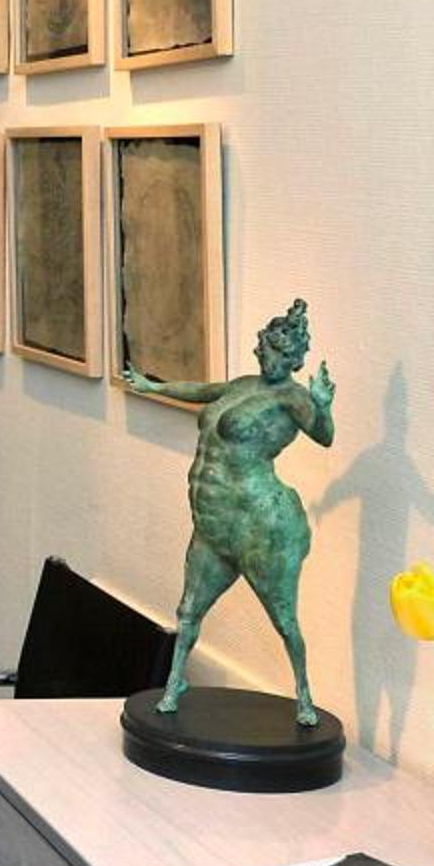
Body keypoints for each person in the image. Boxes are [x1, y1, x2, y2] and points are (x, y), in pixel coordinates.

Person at [126, 298, 337, 722]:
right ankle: (174, 684)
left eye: (282, 356)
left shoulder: (294, 398)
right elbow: (201, 391)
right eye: (268, 351)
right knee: (188, 611)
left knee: (283, 618)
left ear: (294, 360)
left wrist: (323, 406)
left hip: (256, 520)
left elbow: (324, 436)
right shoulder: (242, 385)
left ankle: (304, 695)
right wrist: (155, 387)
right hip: (213, 520)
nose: (272, 361)